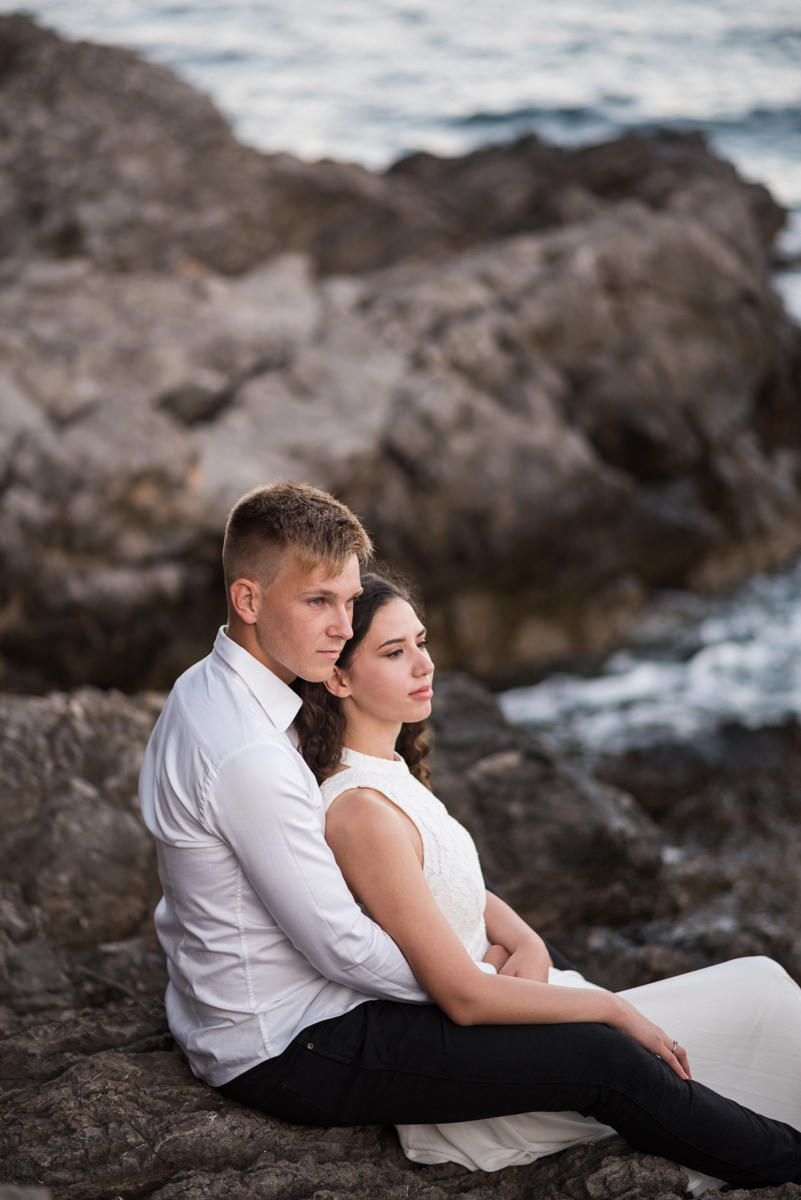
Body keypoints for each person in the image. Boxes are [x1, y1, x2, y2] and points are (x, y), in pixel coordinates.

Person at [139, 482, 801, 1192]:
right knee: (605, 1061)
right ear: (247, 601)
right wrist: (471, 977)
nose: (340, 624)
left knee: (635, 1030)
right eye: (316, 602)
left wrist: (493, 955)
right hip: (289, 1046)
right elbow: (340, 946)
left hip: (255, 1009)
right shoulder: (250, 754)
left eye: (347, 598)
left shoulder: (210, 691)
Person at [293, 570, 801, 1191]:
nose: (423, 664)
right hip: (496, 1073)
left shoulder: (390, 770)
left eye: (421, 642)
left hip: (526, 1004)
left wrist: (527, 945)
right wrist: (611, 1009)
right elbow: (463, 996)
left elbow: (453, 889)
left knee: (763, 989)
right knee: (760, 995)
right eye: (394, 653)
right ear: (338, 677)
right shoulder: (359, 811)